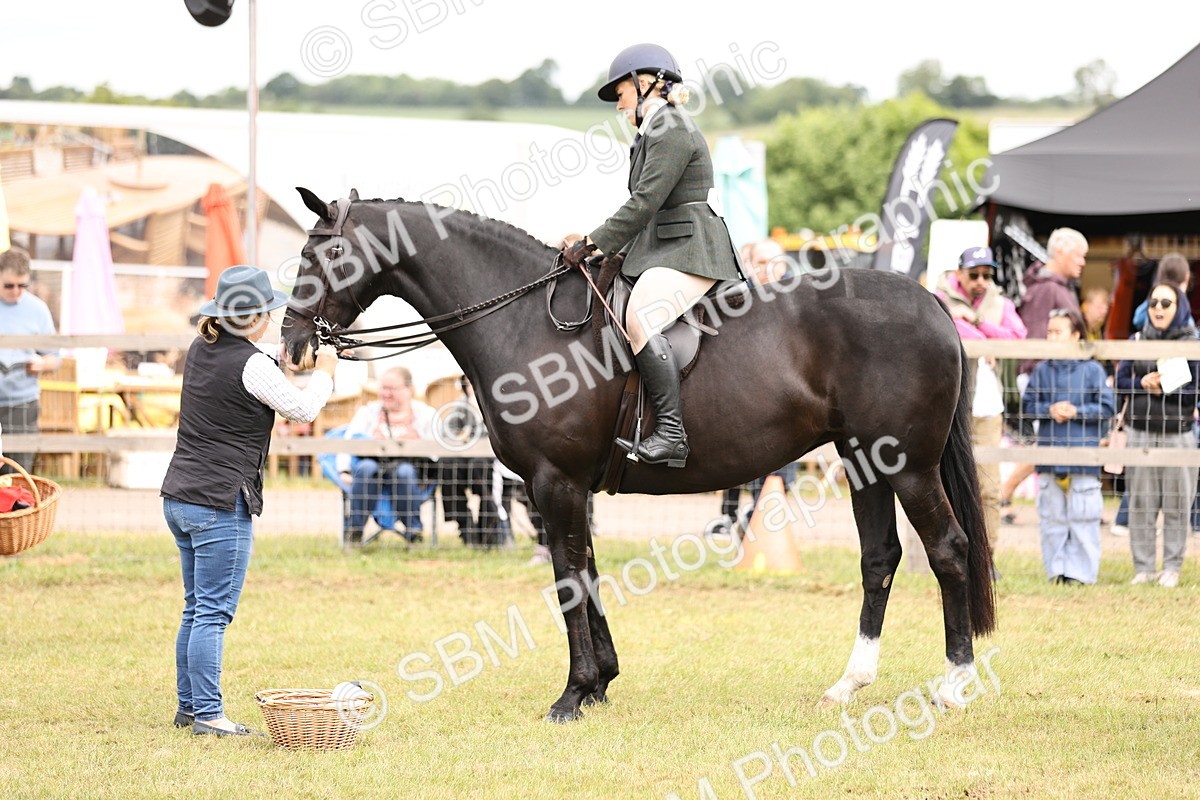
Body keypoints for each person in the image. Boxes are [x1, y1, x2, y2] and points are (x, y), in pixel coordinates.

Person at [161, 265, 337, 736]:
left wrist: (281, 362)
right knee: (213, 613)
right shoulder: (252, 364)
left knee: (196, 607)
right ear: (257, 315)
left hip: (180, 495)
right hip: (220, 500)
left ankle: (189, 707)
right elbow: (301, 409)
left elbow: (251, 372)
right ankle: (208, 715)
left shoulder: (203, 347)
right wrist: (326, 374)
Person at [561, 43, 742, 468]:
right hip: (664, 245)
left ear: (647, 84)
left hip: (692, 246)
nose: (620, 103)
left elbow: (645, 202)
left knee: (640, 317)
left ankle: (672, 434)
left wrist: (593, 241)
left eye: (621, 92)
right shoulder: (650, 135)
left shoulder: (672, 129)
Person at [935, 246, 1027, 553]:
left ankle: (987, 556)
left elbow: (1018, 339)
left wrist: (976, 323)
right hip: (945, 404)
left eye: (987, 274)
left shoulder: (1000, 303)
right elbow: (942, 333)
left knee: (988, 486)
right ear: (959, 273)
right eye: (974, 274)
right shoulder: (940, 298)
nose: (981, 281)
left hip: (987, 404)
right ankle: (950, 550)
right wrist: (981, 337)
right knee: (947, 482)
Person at [1115, 282, 1198, 588]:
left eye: (1166, 303)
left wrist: (1165, 385)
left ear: (1180, 308)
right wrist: (1142, 383)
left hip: (1179, 436)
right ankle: (1144, 568)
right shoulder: (1136, 340)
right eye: (1153, 303)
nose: (1158, 308)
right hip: (1139, 435)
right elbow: (1121, 382)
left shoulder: (1192, 342)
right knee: (1140, 504)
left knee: (1178, 505)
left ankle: (1172, 568)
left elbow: (1194, 393)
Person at [1001, 228, 1089, 517]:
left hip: (1054, 375)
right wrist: (1045, 377)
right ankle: (1004, 494)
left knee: (1057, 440)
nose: (1083, 262)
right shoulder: (1047, 288)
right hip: (1044, 376)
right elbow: (1035, 337)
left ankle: (1068, 501)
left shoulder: (1056, 286)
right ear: (1061, 252)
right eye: (1080, 255)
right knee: (1049, 440)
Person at [1022, 309, 1115, 584]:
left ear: (1076, 335)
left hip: (1083, 456)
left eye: (1057, 331)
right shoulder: (1041, 370)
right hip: (1049, 456)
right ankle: (1056, 571)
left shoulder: (1092, 370)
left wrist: (1077, 411)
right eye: (1048, 331)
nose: (1051, 336)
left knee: (1084, 516)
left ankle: (1082, 574)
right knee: (1052, 518)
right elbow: (1027, 406)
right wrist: (1048, 409)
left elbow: (1107, 406)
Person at [337, 366, 436, 546]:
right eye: (383, 388)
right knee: (366, 468)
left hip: (410, 473)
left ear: (409, 390)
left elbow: (436, 452)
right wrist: (344, 470)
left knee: (404, 472)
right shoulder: (368, 412)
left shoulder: (426, 414)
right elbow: (348, 443)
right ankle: (354, 531)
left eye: (392, 389)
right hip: (372, 471)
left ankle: (414, 531)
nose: (386, 394)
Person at [0, 246, 59, 473]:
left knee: (18, 476)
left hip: (22, 404)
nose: (16, 291)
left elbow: (55, 358)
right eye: (9, 285)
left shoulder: (38, 309)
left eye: (22, 286)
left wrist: (42, 364)